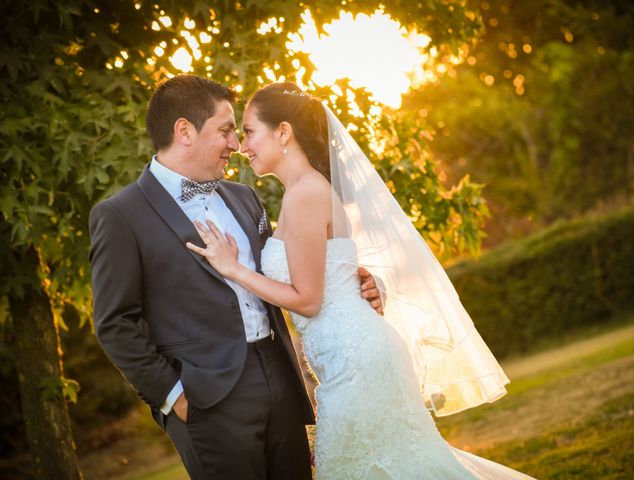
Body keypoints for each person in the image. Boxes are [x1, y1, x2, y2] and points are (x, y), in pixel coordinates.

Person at [188, 81, 536, 479]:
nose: (242, 145)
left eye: (249, 131)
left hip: (356, 363)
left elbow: (308, 299)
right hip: (354, 358)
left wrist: (234, 269)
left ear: (283, 132)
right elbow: (329, 275)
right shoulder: (307, 191)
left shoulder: (304, 195)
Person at [88, 75, 383, 480]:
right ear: (184, 131)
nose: (236, 145)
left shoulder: (243, 196)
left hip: (279, 375)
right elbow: (114, 323)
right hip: (205, 398)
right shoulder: (120, 215)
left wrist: (351, 281)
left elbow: (288, 273)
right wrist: (174, 397)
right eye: (226, 131)